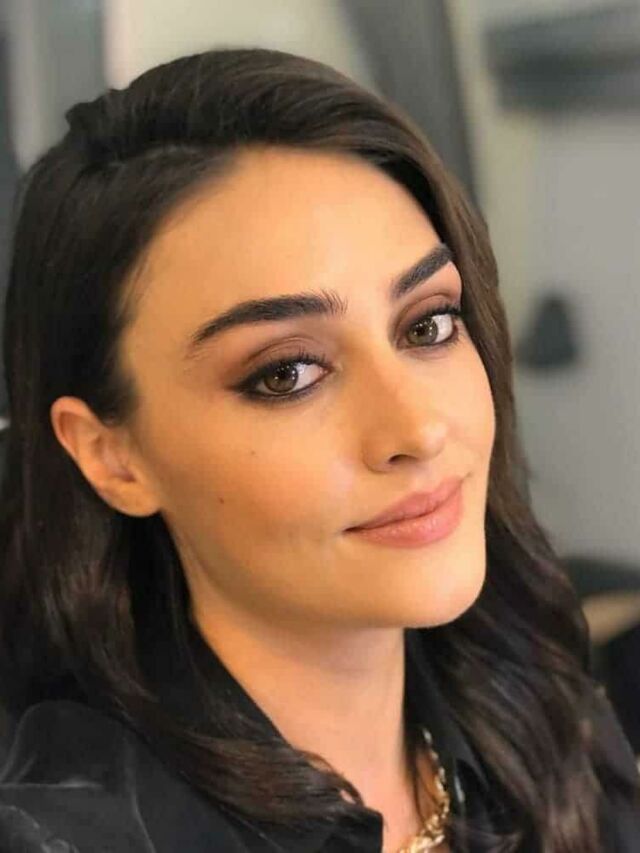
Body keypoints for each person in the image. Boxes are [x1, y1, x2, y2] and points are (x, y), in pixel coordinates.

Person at [0, 47, 638, 853]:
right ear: (110, 456)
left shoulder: (542, 711)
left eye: (428, 325)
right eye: (288, 373)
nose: (418, 430)